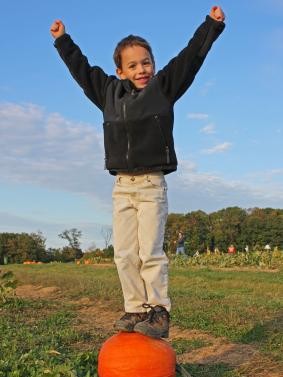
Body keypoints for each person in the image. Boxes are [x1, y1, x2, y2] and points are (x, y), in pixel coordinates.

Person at [50, 6, 225, 338]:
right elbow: (82, 70)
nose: (142, 69)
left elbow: (190, 58)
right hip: (122, 186)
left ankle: (159, 312)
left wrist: (211, 26)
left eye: (147, 62)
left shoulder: (163, 89)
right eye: (133, 65)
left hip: (150, 185)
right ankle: (134, 308)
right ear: (120, 71)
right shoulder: (107, 94)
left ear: (154, 65)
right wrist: (63, 40)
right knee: (124, 254)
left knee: (150, 252)